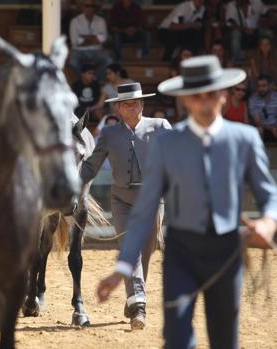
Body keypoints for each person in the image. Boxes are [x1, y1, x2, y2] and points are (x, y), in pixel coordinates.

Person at [96, 55, 277, 349]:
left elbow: (269, 195)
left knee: (224, 339)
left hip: (227, 252)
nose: (204, 101)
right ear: (186, 100)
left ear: (223, 95)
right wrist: (123, 266)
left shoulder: (246, 139)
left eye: (211, 93)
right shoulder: (167, 142)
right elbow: (143, 210)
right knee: (177, 339)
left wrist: (269, 222)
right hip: (181, 254)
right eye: (196, 95)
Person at [81, 82, 172, 330]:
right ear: (119, 108)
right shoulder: (109, 134)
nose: (129, 107)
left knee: (146, 253)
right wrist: (71, 181)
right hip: (121, 202)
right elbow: (91, 167)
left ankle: (133, 296)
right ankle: (138, 306)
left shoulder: (160, 127)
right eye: (124, 104)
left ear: (142, 104)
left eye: (134, 103)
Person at [69, 0, 110, 82]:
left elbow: (103, 38)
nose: (89, 8)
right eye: (87, 6)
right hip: (79, 51)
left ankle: (97, 82)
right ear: (82, 7)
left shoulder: (101, 20)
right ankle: (82, 82)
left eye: (92, 6)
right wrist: (94, 38)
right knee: (73, 63)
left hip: (97, 50)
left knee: (108, 61)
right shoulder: (75, 21)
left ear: (95, 8)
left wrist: (84, 38)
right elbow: (75, 41)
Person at [249, 74, 277, 140]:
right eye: (259, 86)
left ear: (270, 86)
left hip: (275, 126)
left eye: (264, 86)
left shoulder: (276, 97)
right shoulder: (253, 99)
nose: (261, 89)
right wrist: (271, 129)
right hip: (263, 127)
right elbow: (257, 121)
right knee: (258, 130)